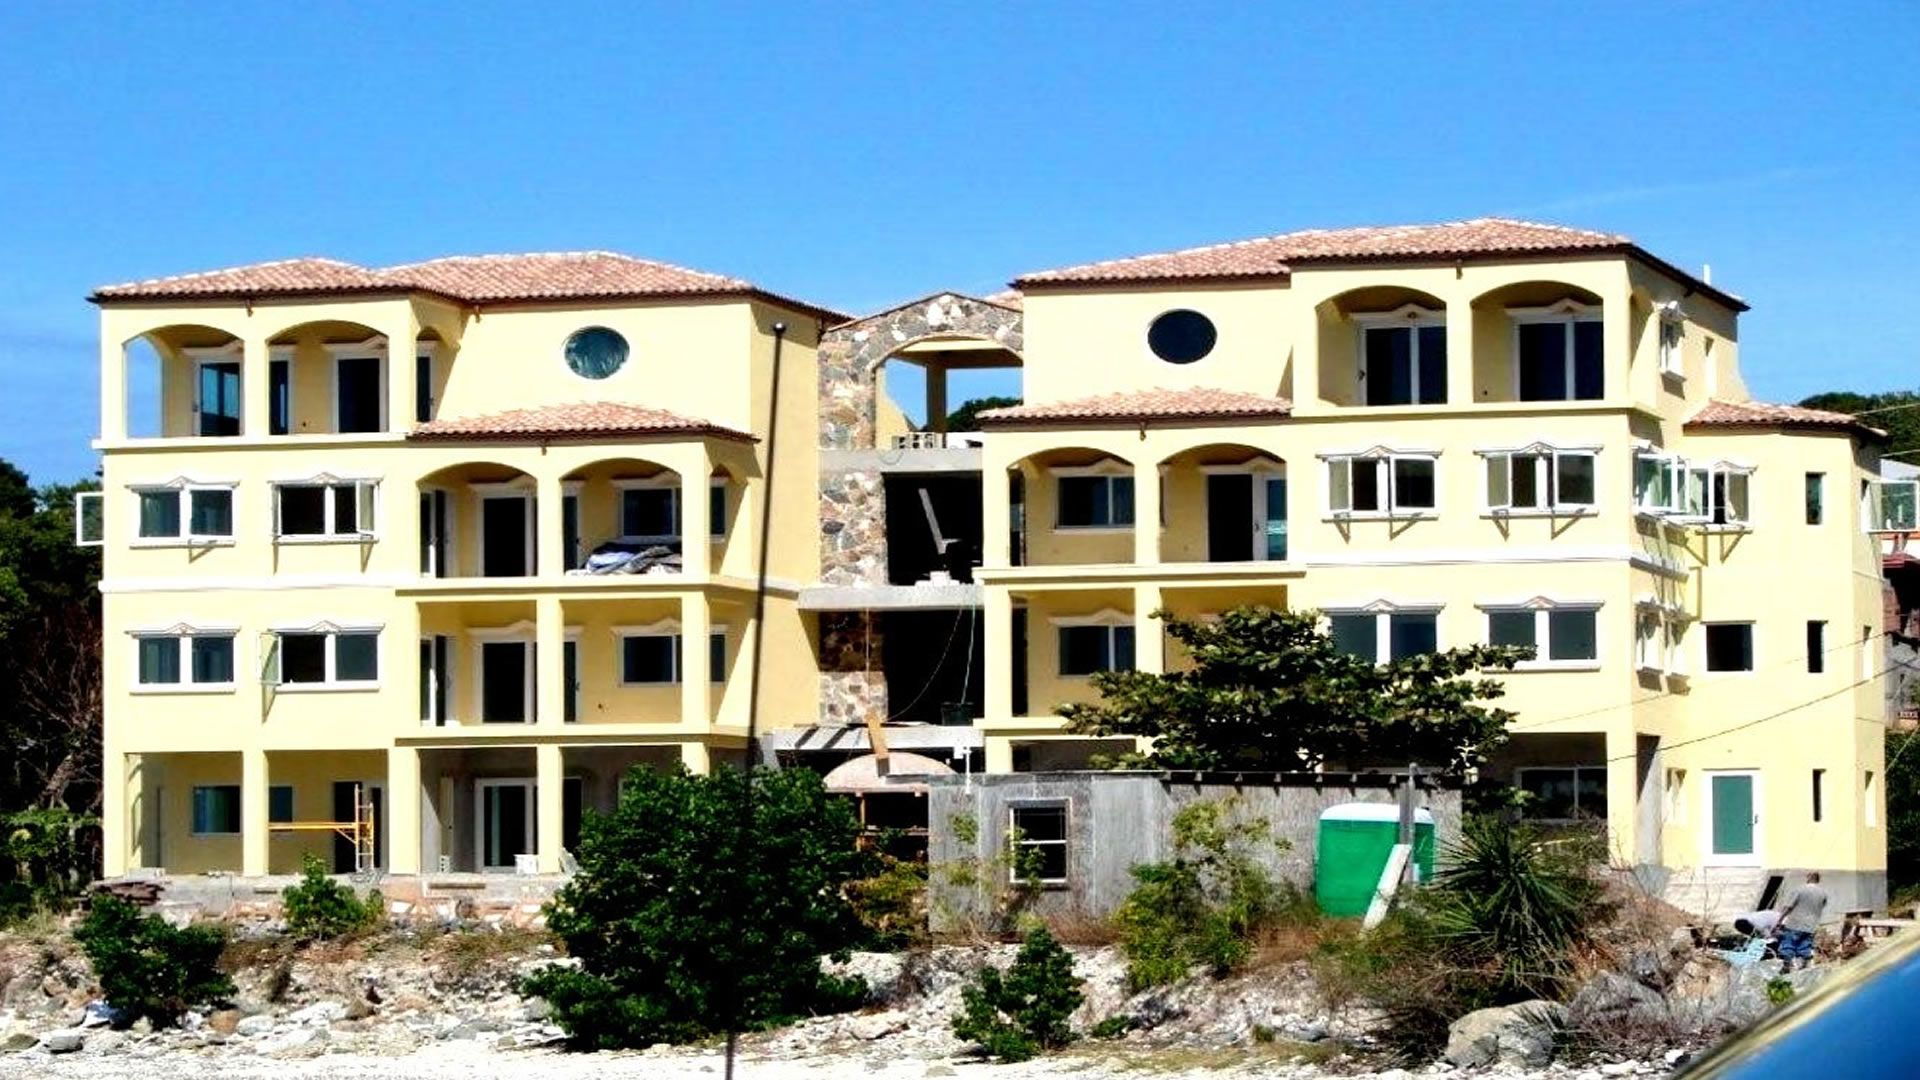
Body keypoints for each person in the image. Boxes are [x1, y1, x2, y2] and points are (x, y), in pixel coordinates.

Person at [1774, 871, 1829, 971]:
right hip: (1811, 925)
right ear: (1818, 879)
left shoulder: (1799, 890)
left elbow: (1789, 907)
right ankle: (1803, 967)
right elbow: (1822, 906)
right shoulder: (1823, 893)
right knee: (1805, 946)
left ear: (1808, 878)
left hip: (1795, 923)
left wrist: (1780, 920)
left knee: (1789, 944)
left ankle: (1787, 966)